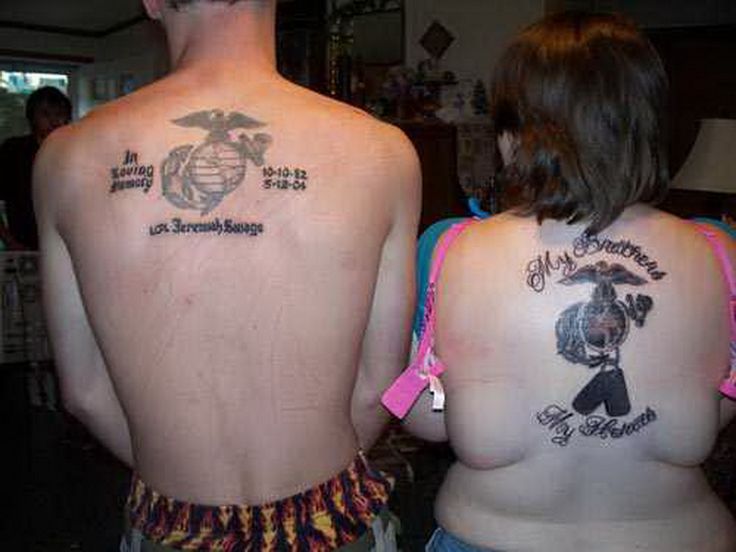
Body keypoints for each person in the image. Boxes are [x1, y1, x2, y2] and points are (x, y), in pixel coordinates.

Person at [33, 0, 420, 549]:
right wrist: (312, 483)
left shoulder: (66, 159)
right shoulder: (384, 153)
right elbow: (386, 383)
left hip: (172, 523)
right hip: (331, 516)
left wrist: (183, 487)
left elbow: (84, 393)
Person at [384, 11, 736, 551]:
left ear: (514, 133)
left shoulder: (448, 251)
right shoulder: (719, 253)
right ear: (645, 127)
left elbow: (424, 419)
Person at [0, 86, 71, 250]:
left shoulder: (74, 151)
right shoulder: (13, 150)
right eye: (45, 114)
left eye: (59, 114)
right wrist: (9, 241)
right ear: (32, 117)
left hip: (68, 246)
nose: (54, 121)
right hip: (23, 245)